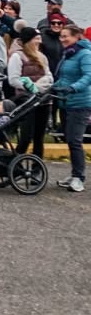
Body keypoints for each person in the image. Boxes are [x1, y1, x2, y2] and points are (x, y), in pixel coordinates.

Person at [6, 25, 54, 159]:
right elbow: (13, 79)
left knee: (39, 137)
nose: (39, 41)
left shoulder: (42, 57)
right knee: (26, 137)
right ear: (28, 40)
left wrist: (38, 87)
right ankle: (14, 162)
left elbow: (49, 77)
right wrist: (29, 88)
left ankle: (37, 166)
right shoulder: (17, 56)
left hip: (43, 100)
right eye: (36, 38)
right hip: (26, 101)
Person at [55, 23, 90, 194]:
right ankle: (74, 173)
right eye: (61, 36)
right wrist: (52, 87)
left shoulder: (84, 54)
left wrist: (73, 88)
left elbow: (88, 76)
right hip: (66, 102)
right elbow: (64, 77)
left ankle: (79, 178)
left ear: (77, 37)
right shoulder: (69, 54)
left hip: (80, 103)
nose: (62, 39)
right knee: (69, 139)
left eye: (65, 36)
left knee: (75, 140)